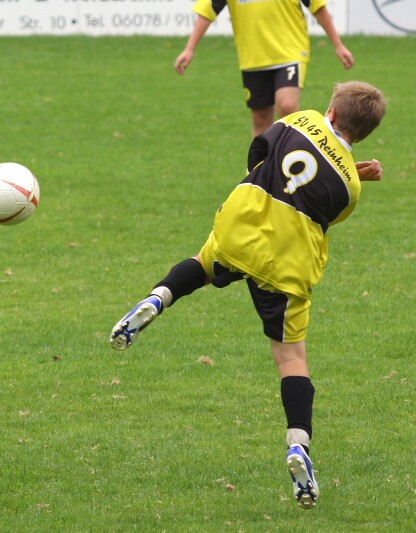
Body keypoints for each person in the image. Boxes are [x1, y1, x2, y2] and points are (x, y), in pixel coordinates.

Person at [110, 81, 386, 509]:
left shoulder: (303, 120)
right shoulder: (352, 188)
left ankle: (157, 298)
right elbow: (324, 207)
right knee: (291, 358)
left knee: (204, 263)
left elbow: (259, 150)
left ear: (331, 112)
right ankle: (298, 445)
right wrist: (353, 170)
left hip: (241, 226)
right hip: (286, 265)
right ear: (365, 134)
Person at [174, 0, 355, 138]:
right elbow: (208, 10)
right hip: (253, 57)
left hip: (290, 52)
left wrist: (338, 45)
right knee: (260, 119)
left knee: (287, 106)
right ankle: (259, 172)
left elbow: (317, 6)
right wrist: (190, 48)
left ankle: (291, 165)